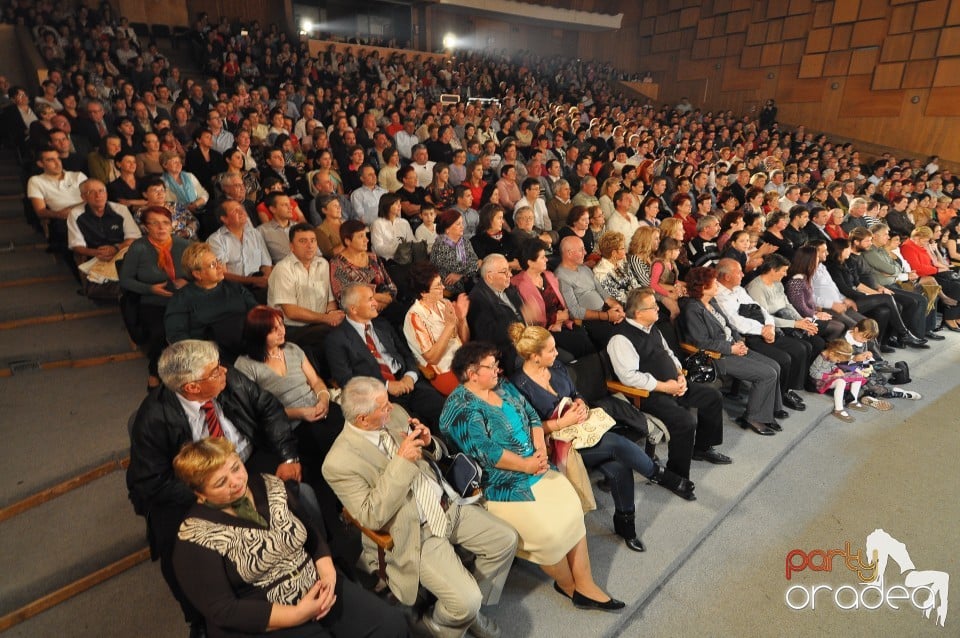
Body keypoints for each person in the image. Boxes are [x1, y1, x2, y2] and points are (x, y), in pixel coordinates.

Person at [126, 340, 311, 637]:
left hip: (245, 461)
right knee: (176, 546)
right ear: (192, 388)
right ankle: (200, 619)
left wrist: (288, 456)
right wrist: (209, 492)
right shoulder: (153, 418)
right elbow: (149, 484)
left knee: (299, 496)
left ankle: (309, 562)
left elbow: (268, 408)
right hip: (188, 488)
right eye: (215, 371)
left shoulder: (228, 380)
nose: (224, 371)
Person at [323, 377, 517, 638]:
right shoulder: (338, 463)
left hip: (446, 504)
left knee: (506, 541)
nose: (391, 408)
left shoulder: (394, 415)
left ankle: (467, 614)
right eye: (383, 407)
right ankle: (442, 623)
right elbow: (371, 515)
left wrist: (430, 444)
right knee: (466, 601)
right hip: (415, 531)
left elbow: (433, 457)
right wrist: (400, 462)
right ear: (362, 419)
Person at [440, 342, 625, 613]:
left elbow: (531, 417)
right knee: (549, 532)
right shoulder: (459, 408)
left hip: (536, 464)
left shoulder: (502, 386)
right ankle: (568, 584)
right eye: (490, 366)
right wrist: (525, 465)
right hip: (503, 484)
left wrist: (539, 450)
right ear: (471, 373)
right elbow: (486, 451)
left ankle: (584, 583)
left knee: (571, 507)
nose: (498, 369)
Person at [170, 437, 407, 638]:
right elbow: (224, 610)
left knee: (392, 625)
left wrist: (327, 576)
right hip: (267, 618)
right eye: (221, 482)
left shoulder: (267, 483)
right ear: (199, 493)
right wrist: (298, 614)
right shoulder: (193, 539)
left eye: (235, 468)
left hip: (318, 584)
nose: (236, 482)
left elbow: (311, 534)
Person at [509, 324, 695, 552]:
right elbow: (527, 428)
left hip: (583, 431)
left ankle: (627, 529)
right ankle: (659, 476)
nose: (557, 353)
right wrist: (561, 423)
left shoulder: (556, 367)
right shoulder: (517, 385)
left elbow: (575, 393)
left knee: (618, 466)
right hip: (557, 445)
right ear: (535, 357)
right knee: (616, 445)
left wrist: (580, 402)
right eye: (551, 350)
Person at [607, 287, 730, 476]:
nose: (658, 309)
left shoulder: (652, 328)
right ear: (639, 313)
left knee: (712, 396)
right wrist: (665, 386)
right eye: (653, 306)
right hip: (649, 395)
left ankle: (703, 448)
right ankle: (677, 474)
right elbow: (629, 377)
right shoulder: (620, 338)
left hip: (674, 384)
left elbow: (669, 353)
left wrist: (680, 375)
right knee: (685, 422)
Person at [680, 267, 786, 436]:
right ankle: (753, 417)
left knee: (775, 366)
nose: (717, 285)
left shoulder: (712, 302)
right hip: (716, 356)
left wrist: (738, 341)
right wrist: (731, 348)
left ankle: (770, 411)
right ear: (702, 286)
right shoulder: (692, 309)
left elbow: (729, 325)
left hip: (733, 347)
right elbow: (701, 342)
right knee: (767, 374)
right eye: (713, 282)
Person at [326, 283, 446, 431]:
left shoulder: (382, 324)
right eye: (370, 299)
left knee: (447, 412)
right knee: (412, 428)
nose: (376, 303)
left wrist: (410, 375)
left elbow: (406, 354)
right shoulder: (336, 339)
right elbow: (346, 381)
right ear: (353, 309)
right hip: (380, 399)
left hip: (410, 383)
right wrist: (387, 385)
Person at [714, 258, 811, 412]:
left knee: (800, 348)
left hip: (764, 330)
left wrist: (770, 326)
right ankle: (778, 397)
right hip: (746, 336)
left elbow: (759, 308)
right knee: (783, 359)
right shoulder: (718, 293)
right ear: (726, 277)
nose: (742, 274)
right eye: (739, 272)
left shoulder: (738, 288)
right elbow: (735, 321)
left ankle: (785, 391)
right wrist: (762, 330)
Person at [119, 206, 191, 388]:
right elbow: (125, 280)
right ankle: (155, 373)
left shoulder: (184, 245)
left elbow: (199, 272)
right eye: (155, 223)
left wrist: (187, 281)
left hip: (183, 300)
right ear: (145, 227)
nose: (161, 228)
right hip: (152, 301)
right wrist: (150, 289)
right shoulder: (139, 248)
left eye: (166, 223)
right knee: (162, 331)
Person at [164, 242, 257, 363]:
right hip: (212, 357)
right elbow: (177, 336)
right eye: (212, 265)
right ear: (197, 274)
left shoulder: (235, 288)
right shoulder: (181, 299)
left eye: (217, 261)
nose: (220, 267)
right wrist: (203, 358)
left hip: (248, 347)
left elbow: (257, 313)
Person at [511, 238, 595, 359]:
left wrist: (565, 316)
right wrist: (556, 318)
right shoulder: (517, 285)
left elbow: (566, 302)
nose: (546, 259)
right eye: (542, 257)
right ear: (530, 263)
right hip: (545, 333)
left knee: (587, 340)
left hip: (566, 323)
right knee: (582, 346)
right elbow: (531, 320)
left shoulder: (549, 275)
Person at [403, 262, 470, 396]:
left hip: (465, 360)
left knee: (496, 380)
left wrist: (462, 319)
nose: (443, 287)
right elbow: (432, 358)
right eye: (437, 286)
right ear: (423, 293)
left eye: (441, 283)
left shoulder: (444, 303)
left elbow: (464, 341)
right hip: (444, 370)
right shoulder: (415, 317)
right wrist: (450, 325)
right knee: (480, 390)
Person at [330, 219, 398, 317]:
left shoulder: (373, 257)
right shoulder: (338, 264)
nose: (366, 240)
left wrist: (387, 299)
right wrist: (375, 298)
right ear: (348, 241)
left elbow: (391, 285)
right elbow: (343, 298)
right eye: (361, 236)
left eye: (365, 235)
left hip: (387, 306)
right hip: (361, 314)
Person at [808, 340, 873, 423]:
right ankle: (838, 409)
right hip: (821, 381)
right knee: (841, 382)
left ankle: (853, 401)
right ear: (832, 354)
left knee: (858, 376)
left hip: (832, 375)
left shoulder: (832, 355)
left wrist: (838, 370)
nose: (838, 362)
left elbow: (833, 365)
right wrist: (831, 376)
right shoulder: (821, 357)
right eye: (838, 360)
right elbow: (813, 373)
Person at [430, 209, 480, 297]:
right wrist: (468, 269)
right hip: (447, 289)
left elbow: (474, 263)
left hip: (466, 284)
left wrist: (460, 275)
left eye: (462, 223)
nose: (462, 227)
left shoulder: (465, 241)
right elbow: (456, 267)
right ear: (447, 229)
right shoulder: (440, 245)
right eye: (458, 224)